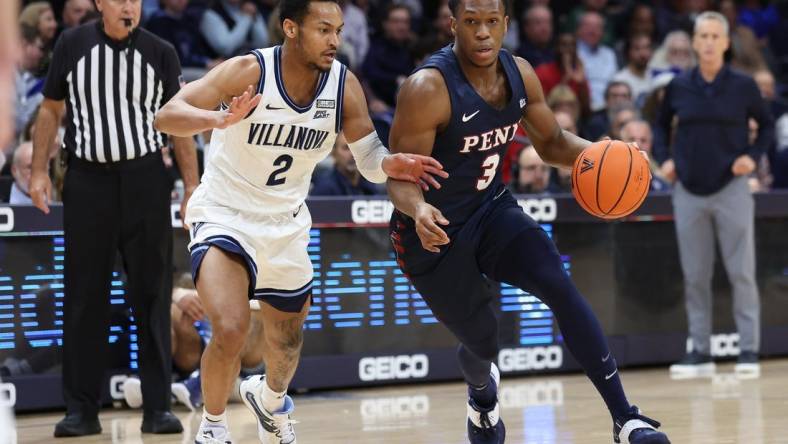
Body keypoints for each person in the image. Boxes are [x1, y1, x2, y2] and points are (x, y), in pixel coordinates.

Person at [152, 0, 447, 441]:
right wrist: (217, 118)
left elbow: (367, 158)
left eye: (339, 30)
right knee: (231, 328)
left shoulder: (344, 86)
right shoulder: (249, 71)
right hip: (226, 213)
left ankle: (271, 401)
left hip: (285, 222)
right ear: (291, 28)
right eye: (323, 29)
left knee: (286, 342)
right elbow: (166, 115)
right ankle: (213, 427)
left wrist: (390, 164)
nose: (334, 40)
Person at [385, 1, 671, 443]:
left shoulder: (519, 73)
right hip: (432, 232)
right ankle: (482, 399)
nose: (482, 33)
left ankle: (625, 418)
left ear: (505, 25)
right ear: (453, 24)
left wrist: (605, 154)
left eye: (491, 23)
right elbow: (399, 179)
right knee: (483, 342)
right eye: (472, 23)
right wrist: (418, 208)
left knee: (557, 281)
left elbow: (553, 142)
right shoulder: (427, 88)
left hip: (490, 209)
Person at [29, 0, 200, 436]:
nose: (130, 7)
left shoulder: (161, 51)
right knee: (85, 298)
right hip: (87, 181)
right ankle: (81, 409)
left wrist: (192, 187)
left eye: (136, 0)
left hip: (145, 179)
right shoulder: (73, 44)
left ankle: (157, 406)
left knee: (153, 294)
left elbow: (179, 122)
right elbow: (50, 109)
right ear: (99, 4)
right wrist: (36, 172)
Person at [654, 12, 774, 379]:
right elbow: (659, 126)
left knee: (742, 273)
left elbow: (767, 126)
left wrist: (751, 158)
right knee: (695, 275)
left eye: (713, 36)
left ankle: (749, 351)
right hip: (688, 190)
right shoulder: (678, 87)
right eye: (701, 35)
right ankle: (700, 352)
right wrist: (665, 159)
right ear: (693, 41)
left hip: (732, 189)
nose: (707, 41)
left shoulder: (743, 85)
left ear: (725, 43)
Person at [311, 132, 384, 195]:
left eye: (356, 148)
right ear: (333, 153)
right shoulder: (323, 188)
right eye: (346, 148)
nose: (352, 154)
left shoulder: (375, 184)